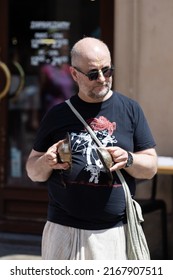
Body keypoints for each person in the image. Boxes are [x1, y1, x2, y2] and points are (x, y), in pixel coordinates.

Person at [26, 37, 158, 260]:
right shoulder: (57, 115)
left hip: (114, 233)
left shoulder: (130, 110)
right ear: (74, 74)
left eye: (107, 70)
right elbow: (32, 170)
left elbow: (151, 166)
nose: (102, 79)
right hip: (64, 230)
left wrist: (129, 159)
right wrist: (46, 162)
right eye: (93, 74)